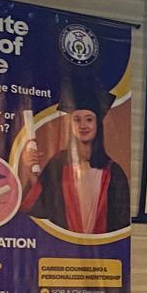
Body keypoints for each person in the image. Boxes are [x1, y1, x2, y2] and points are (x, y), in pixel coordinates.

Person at [23, 77, 130, 234]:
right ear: (71, 125)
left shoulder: (113, 171)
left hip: (101, 246)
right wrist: (29, 171)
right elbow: (43, 206)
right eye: (77, 120)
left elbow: (121, 220)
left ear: (97, 125)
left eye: (89, 119)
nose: (83, 125)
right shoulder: (58, 164)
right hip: (63, 242)